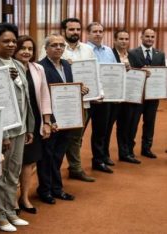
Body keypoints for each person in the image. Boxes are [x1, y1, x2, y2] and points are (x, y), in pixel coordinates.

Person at [0, 22, 35, 232]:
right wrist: (3, 133)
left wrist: (29, 127)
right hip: (4, 131)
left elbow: (25, 99)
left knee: (13, 173)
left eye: (13, 41)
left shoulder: (18, 64)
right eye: (5, 41)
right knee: (0, 175)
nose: (10, 44)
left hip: (21, 128)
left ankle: (9, 211)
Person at [37, 34, 86, 205]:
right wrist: (49, 121)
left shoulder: (67, 65)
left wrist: (80, 90)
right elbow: (41, 96)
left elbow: (70, 89)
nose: (58, 48)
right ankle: (45, 190)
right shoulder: (40, 67)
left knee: (58, 156)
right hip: (52, 120)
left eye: (61, 45)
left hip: (68, 119)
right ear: (46, 48)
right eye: (54, 45)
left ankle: (56, 189)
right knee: (47, 157)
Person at [13, 35, 52, 214]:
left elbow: (45, 95)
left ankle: (24, 197)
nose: (26, 52)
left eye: (30, 48)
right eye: (22, 48)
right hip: (16, 122)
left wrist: (46, 121)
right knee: (14, 162)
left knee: (29, 162)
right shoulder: (9, 68)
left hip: (33, 121)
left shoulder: (38, 68)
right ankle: (12, 199)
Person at [60, 17, 96, 182]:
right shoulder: (57, 47)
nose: (75, 32)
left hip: (84, 100)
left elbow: (93, 72)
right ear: (64, 31)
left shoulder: (88, 49)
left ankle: (75, 168)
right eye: (71, 29)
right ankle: (56, 172)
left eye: (77, 29)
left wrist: (98, 92)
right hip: (63, 101)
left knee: (77, 137)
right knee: (60, 139)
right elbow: (45, 70)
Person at [128, 28, 166, 159]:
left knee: (150, 123)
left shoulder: (160, 55)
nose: (150, 39)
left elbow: (162, 75)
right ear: (141, 37)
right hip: (137, 96)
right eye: (147, 36)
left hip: (153, 95)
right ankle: (129, 149)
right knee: (133, 123)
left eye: (152, 36)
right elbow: (130, 72)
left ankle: (146, 148)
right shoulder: (132, 53)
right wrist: (140, 70)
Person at [86, 22, 117, 173]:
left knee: (101, 130)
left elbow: (114, 70)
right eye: (94, 31)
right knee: (76, 135)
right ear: (88, 34)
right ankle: (75, 165)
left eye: (100, 31)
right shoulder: (84, 49)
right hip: (86, 97)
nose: (98, 34)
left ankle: (99, 160)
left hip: (104, 97)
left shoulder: (109, 51)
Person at [112, 30, 141, 164]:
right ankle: (123, 153)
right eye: (121, 39)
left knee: (132, 125)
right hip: (117, 97)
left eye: (126, 39)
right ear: (115, 40)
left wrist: (144, 73)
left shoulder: (133, 56)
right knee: (122, 126)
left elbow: (138, 72)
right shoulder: (111, 54)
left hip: (132, 96)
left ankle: (129, 151)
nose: (124, 41)